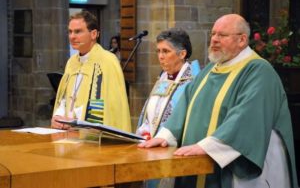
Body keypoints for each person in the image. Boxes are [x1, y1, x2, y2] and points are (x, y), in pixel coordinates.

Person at [138, 14, 299, 188]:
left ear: (242, 40)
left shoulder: (259, 71)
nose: (214, 39)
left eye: (222, 35)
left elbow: (248, 116)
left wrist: (208, 146)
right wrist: (165, 136)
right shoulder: (210, 70)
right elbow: (186, 103)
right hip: (197, 164)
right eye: (213, 33)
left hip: (237, 170)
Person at [51, 11, 131, 132]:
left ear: (93, 34)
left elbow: (111, 105)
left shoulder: (107, 61)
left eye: (78, 31)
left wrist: (75, 121)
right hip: (69, 133)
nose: (72, 36)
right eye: (70, 31)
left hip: (93, 136)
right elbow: (64, 97)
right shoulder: (72, 62)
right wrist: (58, 116)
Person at [137, 28, 201, 140]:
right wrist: (146, 133)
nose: (160, 56)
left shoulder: (194, 82)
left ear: (182, 54)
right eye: (158, 51)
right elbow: (152, 114)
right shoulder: (163, 78)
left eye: (166, 51)